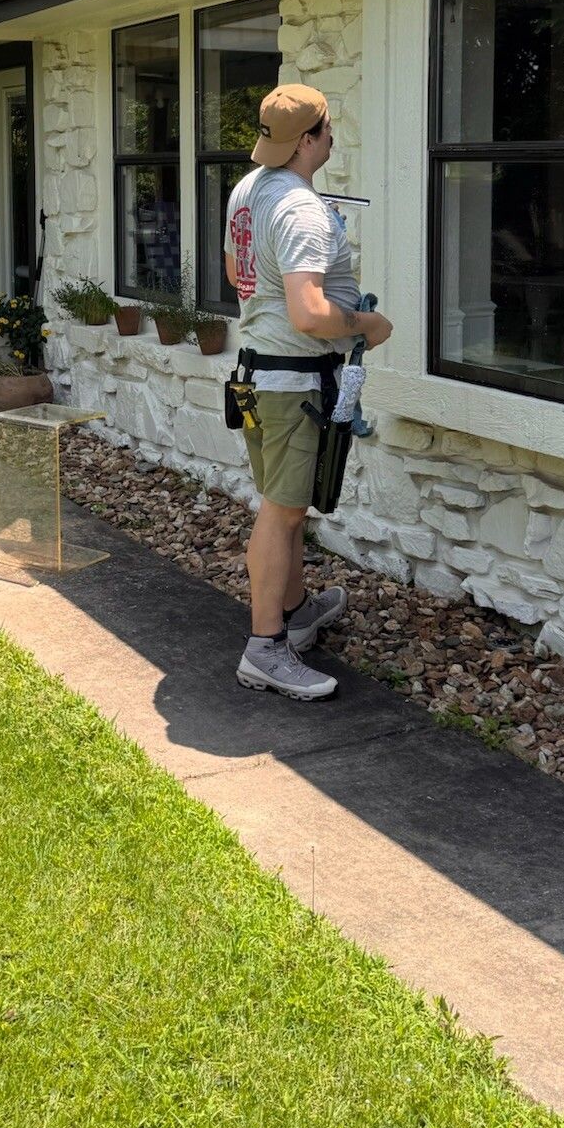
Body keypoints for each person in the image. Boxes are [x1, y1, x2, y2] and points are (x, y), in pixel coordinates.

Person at [223, 83, 392, 701]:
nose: (331, 136)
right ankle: (265, 649)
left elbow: (237, 274)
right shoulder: (300, 209)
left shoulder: (248, 192)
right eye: (326, 127)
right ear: (313, 138)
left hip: (259, 376)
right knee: (283, 510)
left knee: (282, 500)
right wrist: (367, 326)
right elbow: (309, 313)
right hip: (292, 382)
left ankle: (295, 614)